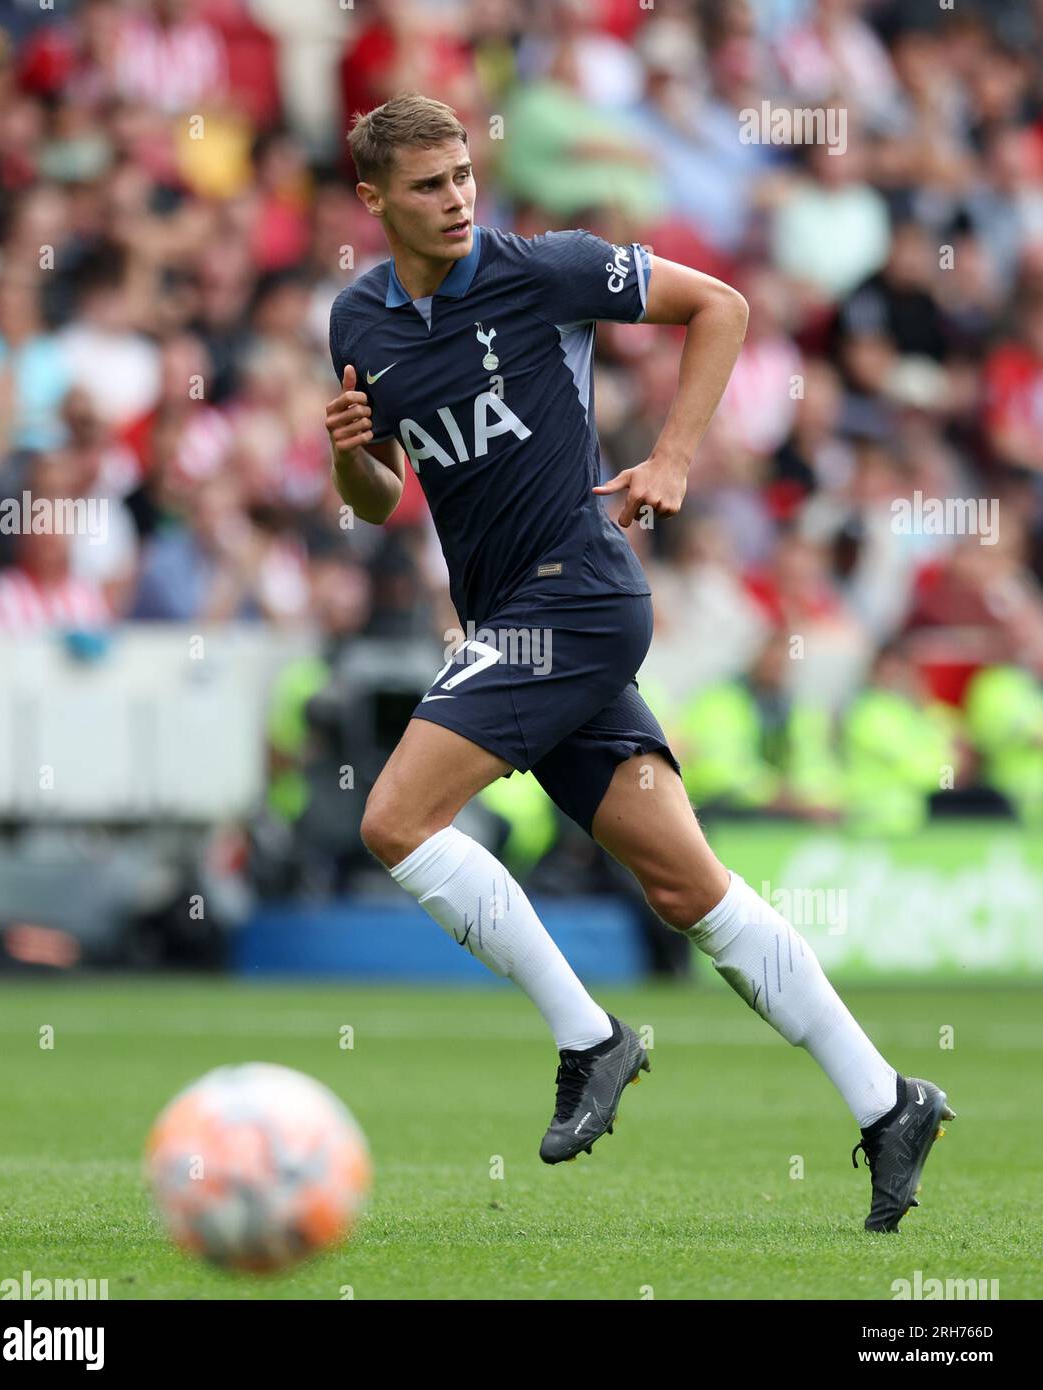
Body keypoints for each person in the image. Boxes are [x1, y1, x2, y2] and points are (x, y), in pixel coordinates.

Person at [323, 93, 954, 1232]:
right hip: (512, 618)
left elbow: (721, 304)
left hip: (577, 597)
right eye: (427, 185)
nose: (457, 196)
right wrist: (355, 463)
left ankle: (591, 1037)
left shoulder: (547, 269)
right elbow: (379, 505)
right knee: (687, 887)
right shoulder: (358, 324)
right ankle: (888, 1099)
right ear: (374, 202)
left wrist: (670, 456)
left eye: (463, 172)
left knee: (392, 821)